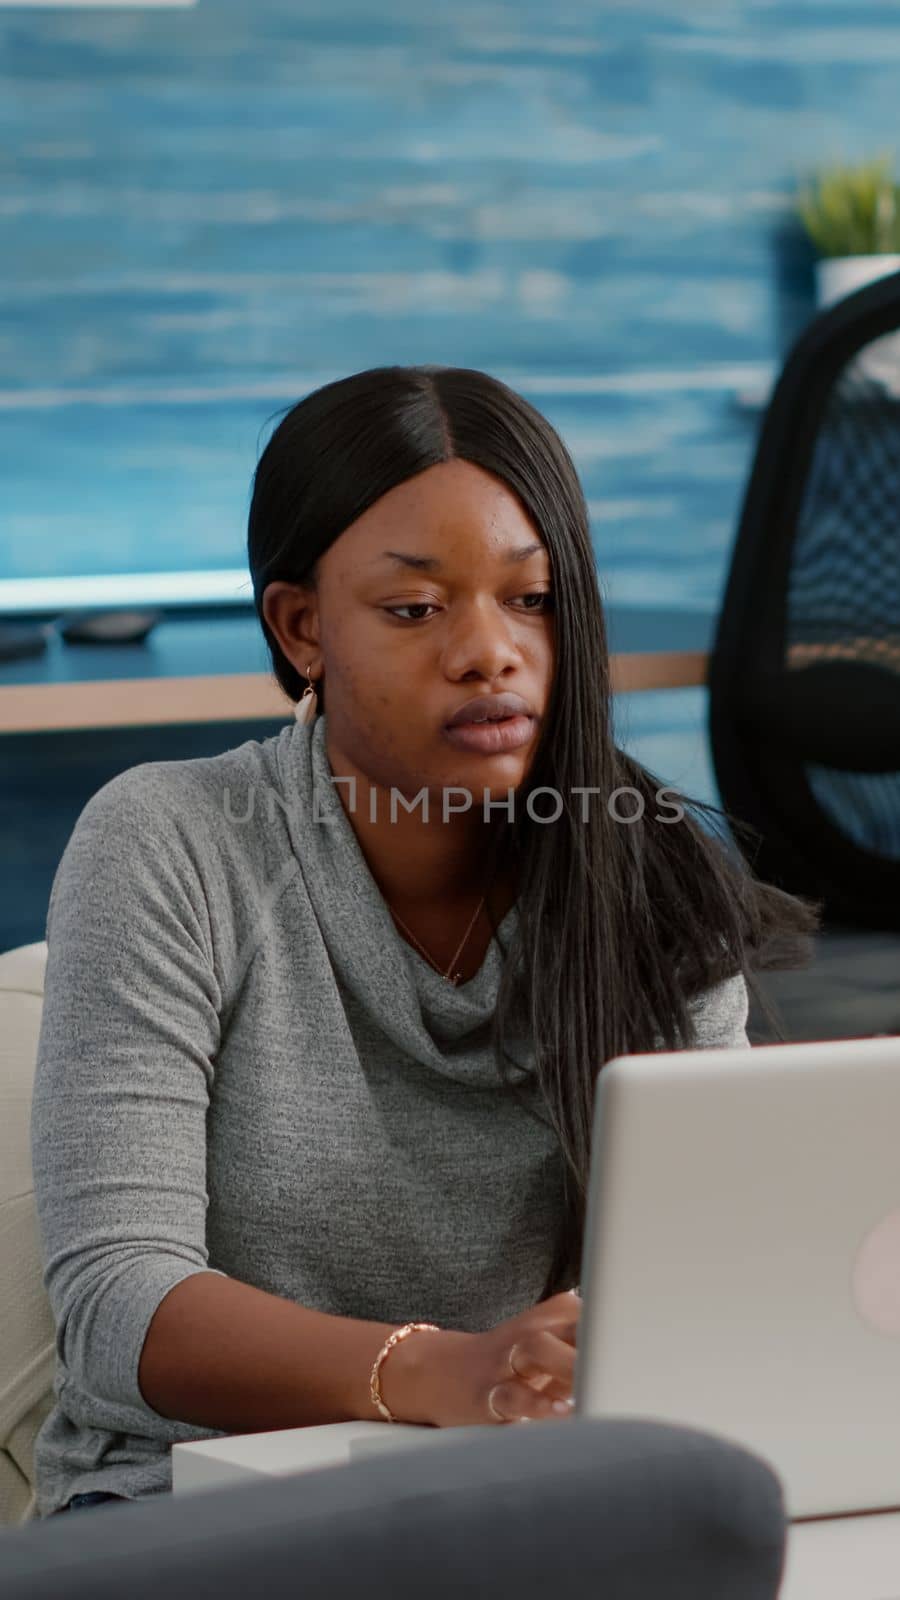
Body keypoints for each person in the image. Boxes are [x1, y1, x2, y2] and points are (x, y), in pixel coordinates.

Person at [30, 364, 820, 1517]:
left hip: (522, 1495)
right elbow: (115, 1302)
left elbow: (711, 1273)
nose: (489, 652)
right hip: (186, 1505)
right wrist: (445, 1369)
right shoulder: (168, 842)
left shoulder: (650, 872)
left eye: (532, 599)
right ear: (302, 629)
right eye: (414, 609)